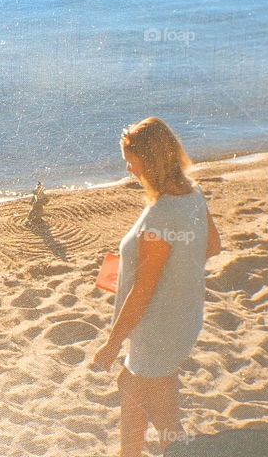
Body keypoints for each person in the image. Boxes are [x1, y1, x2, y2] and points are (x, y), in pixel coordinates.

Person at [93, 117, 222, 457]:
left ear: (149, 161)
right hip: (183, 318)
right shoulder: (193, 194)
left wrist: (111, 344)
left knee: (164, 418)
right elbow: (212, 246)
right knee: (132, 388)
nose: (128, 167)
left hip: (158, 329)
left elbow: (143, 291)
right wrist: (171, 271)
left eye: (130, 160)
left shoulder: (160, 216)